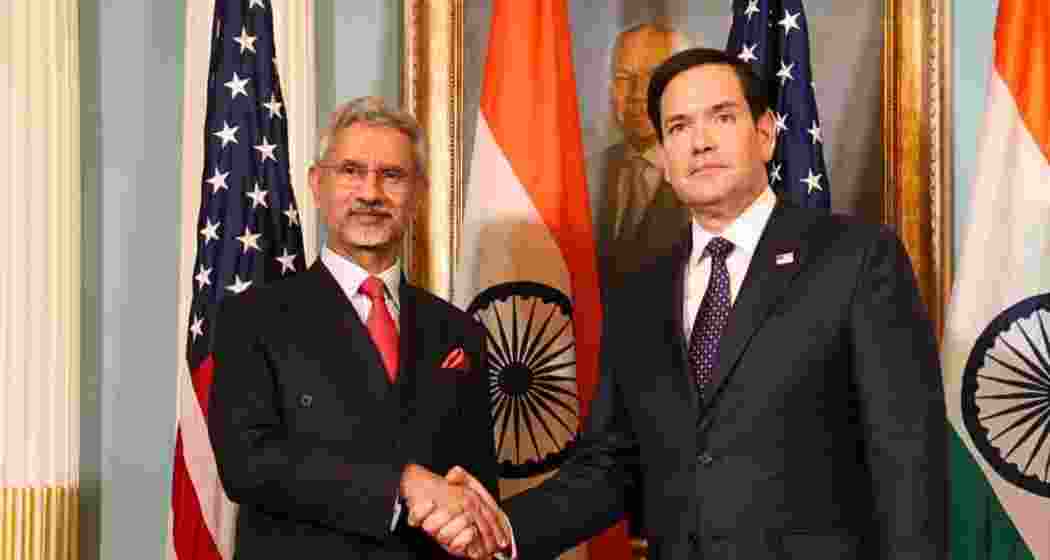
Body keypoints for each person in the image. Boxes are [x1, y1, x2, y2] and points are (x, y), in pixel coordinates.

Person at [425, 48, 947, 559]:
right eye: (678, 127)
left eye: (721, 117)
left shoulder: (855, 259)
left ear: (764, 135)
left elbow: (907, 460)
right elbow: (613, 465)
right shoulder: (640, 292)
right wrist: (501, 528)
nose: (699, 142)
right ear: (666, 158)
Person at [208, 96, 507, 559]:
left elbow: (474, 488)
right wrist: (401, 482)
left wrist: (476, 530)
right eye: (350, 171)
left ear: (419, 193)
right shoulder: (252, 319)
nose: (370, 192)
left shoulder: (459, 332)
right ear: (316, 183)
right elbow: (248, 465)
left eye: (392, 175)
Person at [595, 23, 691, 290]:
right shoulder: (587, 173)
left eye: (653, 77)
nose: (637, 93)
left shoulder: (713, 173)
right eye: (624, 78)